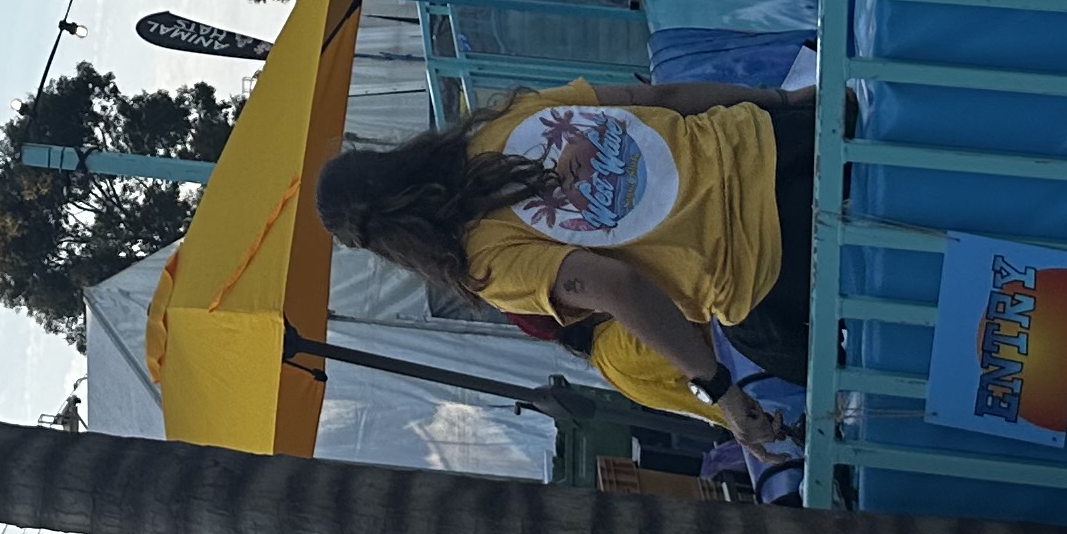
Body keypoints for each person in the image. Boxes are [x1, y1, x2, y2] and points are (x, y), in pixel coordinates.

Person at [317, 80, 817, 445]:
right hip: (780, 141)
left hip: (771, 265)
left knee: (795, 361)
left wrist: (719, 389)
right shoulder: (506, 120)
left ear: (391, 245)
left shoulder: (485, 262)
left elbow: (617, 287)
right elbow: (664, 99)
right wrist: (788, 101)